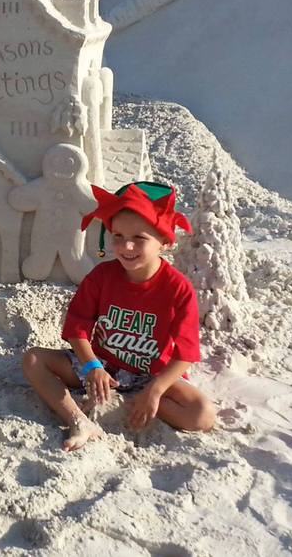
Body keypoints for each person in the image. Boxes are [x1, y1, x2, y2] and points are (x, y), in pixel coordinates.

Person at [21, 181, 217, 451]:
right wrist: (92, 366)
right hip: (103, 368)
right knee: (33, 359)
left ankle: (130, 402)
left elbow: (185, 355)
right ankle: (78, 419)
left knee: (202, 414)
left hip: (148, 374)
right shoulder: (102, 276)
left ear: (163, 241)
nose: (126, 246)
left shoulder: (178, 289)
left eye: (139, 238)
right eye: (118, 236)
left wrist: (155, 391)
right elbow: (76, 327)